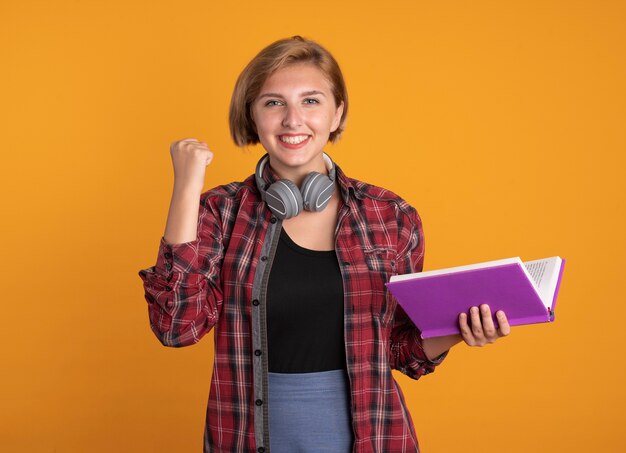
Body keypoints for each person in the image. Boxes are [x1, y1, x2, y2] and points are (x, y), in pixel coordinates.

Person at [139, 36, 510, 453]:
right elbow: (176, 327)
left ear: (337, 114)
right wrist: (187, 188)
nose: (293, 120)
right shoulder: (220, 212)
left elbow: (398, 348)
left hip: (372, 438)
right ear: (253, 117)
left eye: (311, 101)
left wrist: (459, 332)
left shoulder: (390, 216)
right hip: (246, 438)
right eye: (273, 103)